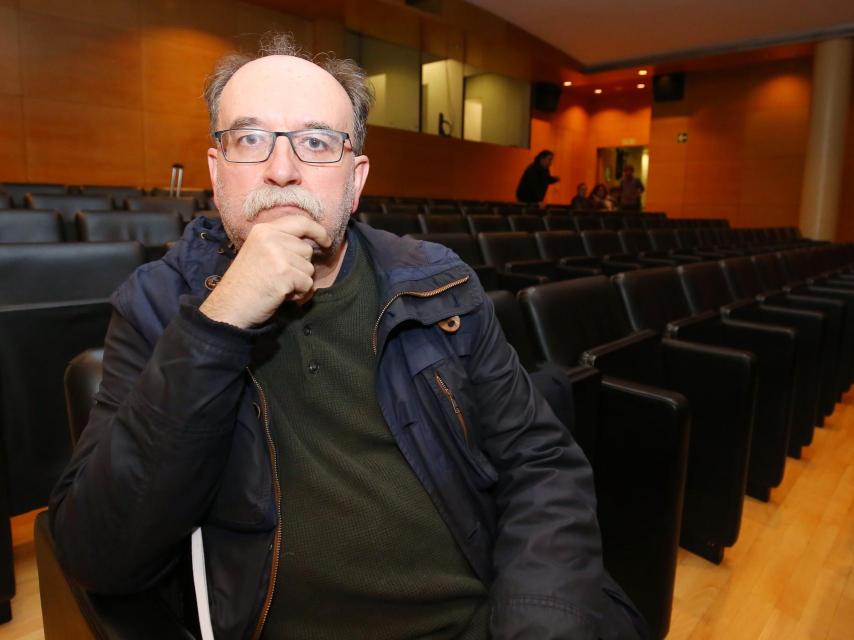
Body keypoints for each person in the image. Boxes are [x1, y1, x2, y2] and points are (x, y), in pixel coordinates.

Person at [50, 33, 647, 640]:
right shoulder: (156, 304)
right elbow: (99, 554)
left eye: (315, 142)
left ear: (355, 179)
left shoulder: (439, 285)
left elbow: (539, 461)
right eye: (250, 139)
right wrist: (220, 321)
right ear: (216, 171)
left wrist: (534, 623)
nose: (281, 171)